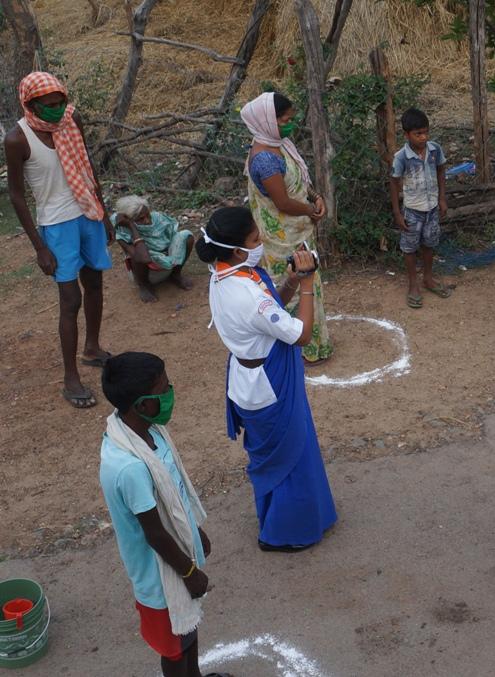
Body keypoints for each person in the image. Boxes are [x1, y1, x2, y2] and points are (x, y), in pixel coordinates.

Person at [197, 206, 337, 552]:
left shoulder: (225, 275)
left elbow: (271, 309)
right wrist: (308, 284)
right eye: (255, 239)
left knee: (290, 451)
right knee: (290, 458)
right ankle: (284, 533)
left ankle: (304, 518)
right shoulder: (246, 295)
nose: (260, 243)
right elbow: (301, 335)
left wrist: (292, 281)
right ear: (236, 250)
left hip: (252, 374)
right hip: (270, 384)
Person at [99, 352, 226, 677]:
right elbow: (154, 533)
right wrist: (190, 573)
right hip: (161, 577)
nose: (170, 394)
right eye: (164, 390)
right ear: (142, 404)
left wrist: (194, 530)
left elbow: (173, 493)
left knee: (188, 630)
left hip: (177, 557)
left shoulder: (149, 432)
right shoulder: (129, 467)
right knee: (174, 648)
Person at [4, 72, 114, 408]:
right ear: (30, 104)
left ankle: (92, 348)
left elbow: (88, 167)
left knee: (94, 283)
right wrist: (40, 247)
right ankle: (70, 378)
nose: (56, 109)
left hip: (87, 212)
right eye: (49, 105)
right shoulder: (17, 139)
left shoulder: (70, 120)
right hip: (56, 225)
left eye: (60, 102)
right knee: (70, 300)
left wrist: (104, 213)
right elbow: (16, 195)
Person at [241, 91, 331, 364]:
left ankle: (310, 344)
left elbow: (299, 182)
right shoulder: (265, 159)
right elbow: (282, 202)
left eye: (291, 119)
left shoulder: (280, 145)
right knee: (292, 288)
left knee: (305, 282)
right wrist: (311, 210)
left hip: (295, 233)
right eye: (284, 120)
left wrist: (315, 197)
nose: (289, 125)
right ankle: (298, 350)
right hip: (282, 239)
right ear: (268, 121)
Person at [389, 107, 451, 308]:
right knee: (409, 247)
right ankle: (413, 284)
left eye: (426, 132)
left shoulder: (434, 150)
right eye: (418, 134)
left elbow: (441, 170)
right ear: (406, 135)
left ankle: (428, 278)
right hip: (412, 211)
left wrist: (442, 198)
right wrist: (397, 213)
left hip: (431, 208)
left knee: (429, 243)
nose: (423, 137)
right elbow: (393, 182)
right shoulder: (401, 157)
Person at [112, 196, 195, 303]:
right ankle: (144, 286)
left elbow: (173, 237)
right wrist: (132, 228)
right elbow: (144, 258)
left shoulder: (158, 219)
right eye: (140, 219)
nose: (147, 221)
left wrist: (166, 254)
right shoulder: (123, 232)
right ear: (129, 220)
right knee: (137, 253)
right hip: (147, 272)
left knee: (186, 237)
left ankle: (175, 274)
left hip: (168, 264)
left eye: (148, 215)